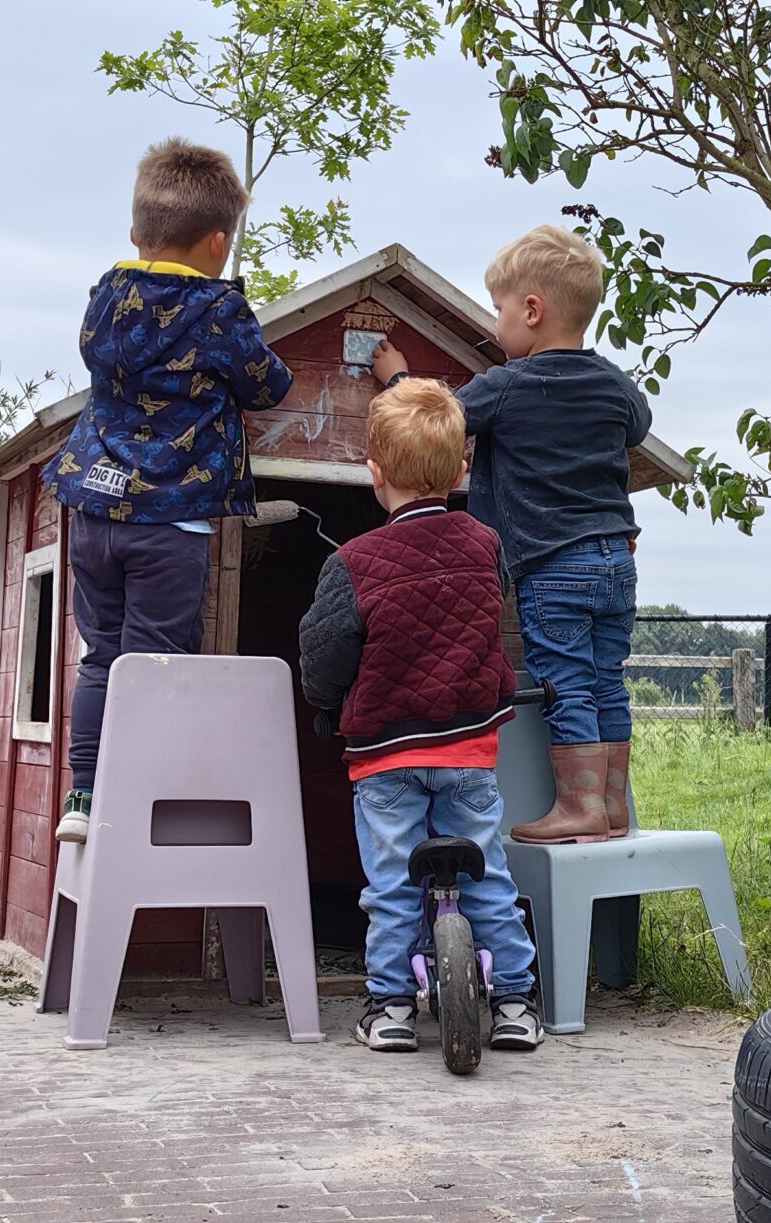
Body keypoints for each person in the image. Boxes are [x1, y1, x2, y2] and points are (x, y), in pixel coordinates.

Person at [42, 137, 293, 846]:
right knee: (153, 664)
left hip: (92, 505)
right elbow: (268, 384)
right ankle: (139, 795)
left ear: (136, 233)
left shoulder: (104, 298)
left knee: (103, 656)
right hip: (169, 518)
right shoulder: (217, 311)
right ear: (219, 242)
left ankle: (84, 797)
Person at [373, 224, 650, 844]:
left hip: (553, 566)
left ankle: (577, 809)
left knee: (566, 681)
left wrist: (398, 379)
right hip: (615, 561)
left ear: (532, 310)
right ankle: (609, 804)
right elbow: (638, 425)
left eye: (498, 310)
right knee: (608, 677)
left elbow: (434, 424)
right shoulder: (613, 384)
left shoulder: (509, 383)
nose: (493, 325)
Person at [298, 377, 544, 1053]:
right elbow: (500, 625)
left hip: (386, 759)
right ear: (463, 468)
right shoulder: (484, 546)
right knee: (488, 872)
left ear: (373, 474)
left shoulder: (353, 563)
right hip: (468, 750)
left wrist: (327, 707)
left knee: (391, 884)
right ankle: (519, 1001)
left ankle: (390, 1007)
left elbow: (324, 658)